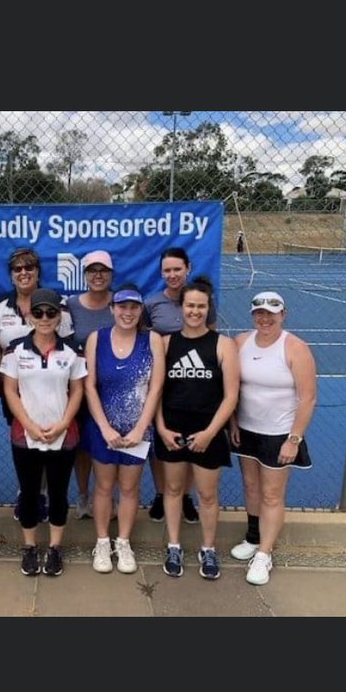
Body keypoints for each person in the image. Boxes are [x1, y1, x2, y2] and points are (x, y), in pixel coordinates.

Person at [154, 277, 240, 581]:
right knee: (174, 489)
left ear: (208, 308)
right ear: (182, 307)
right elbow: (157, 392)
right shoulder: (165, 344)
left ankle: (208, 548)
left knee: (207, 494)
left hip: (208, 431)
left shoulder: (223, 345)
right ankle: (174, 546)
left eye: (201, 306)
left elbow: (231, 396)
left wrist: (210, 433)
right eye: (190, 305)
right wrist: (161, 428)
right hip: (173, 429)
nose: (195, 311)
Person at [230, 291, 317, 586]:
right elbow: (232, 388)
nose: (265, 318)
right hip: (246, 430)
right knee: (251, 486)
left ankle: (265, 554)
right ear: (253, 315)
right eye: (260, 313)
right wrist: (233, 422)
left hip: (279, 434)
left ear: (283, 314)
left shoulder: (295, 348)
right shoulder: (240, 343)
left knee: (271, 494)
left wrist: (293, 439)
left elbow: (308, 398)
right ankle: (254, 538)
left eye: (271, 313)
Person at [0, 288, 86, 577]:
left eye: (51, 312)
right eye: (39, 312)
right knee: (29, 493)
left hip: (64, 435)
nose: (45, 318)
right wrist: (30, 425)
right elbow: (10, 391)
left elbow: (77, 392)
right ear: (29, 315)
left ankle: (55, 548)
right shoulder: (15, 350)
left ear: (59, 315)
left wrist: (62, 424)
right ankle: (29, 547)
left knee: (59, 493)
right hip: (25, 435)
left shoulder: (73, 352)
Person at [0, 245, 73, 522]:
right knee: (24, 443)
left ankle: (45, 495)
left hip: (52, 390)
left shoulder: (58, 304)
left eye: (29, 267)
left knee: (50, 438)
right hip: (16, 391)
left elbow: (69, 348)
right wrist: (10, 375)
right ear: (11, 275)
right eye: (17, 269)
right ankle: (28, 492)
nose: (24, 272)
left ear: (38, 271)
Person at [85, 283, 165, 574]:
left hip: (137, 431)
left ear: (140, 310)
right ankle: (103, 542)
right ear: (112, 309)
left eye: (133, 307)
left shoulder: (152, 339)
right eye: (122, 306)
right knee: (104, 487)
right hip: (103, 429)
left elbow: (156, 388)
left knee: (129, 488)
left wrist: (140, 428)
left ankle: (123, 542)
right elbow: (90, 386)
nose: (127, 312)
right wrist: (105, 427)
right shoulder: (97, 339)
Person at [144, 247, 218, 526]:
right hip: (162, 382)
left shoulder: (203, 300)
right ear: (161, 273)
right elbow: (146, 342)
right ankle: (163, 494)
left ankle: (184, 496)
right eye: (167, 270)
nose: (172, 275)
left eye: (177, 269)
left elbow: (211, 336)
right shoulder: (151, 304)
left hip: (195, 381)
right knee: (160, 442)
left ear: (188, 268)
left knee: (189, 442)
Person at [66, 249, 116, 520]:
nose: (98, 276)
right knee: (82, 446)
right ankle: (84, 496)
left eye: (103, 271)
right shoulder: (72, 305)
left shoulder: (120, 303)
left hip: (112, 388)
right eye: (93, 271)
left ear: (111, 274)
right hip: (80, 388)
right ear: (85, 275)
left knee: (110, 443)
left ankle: (108, 496)